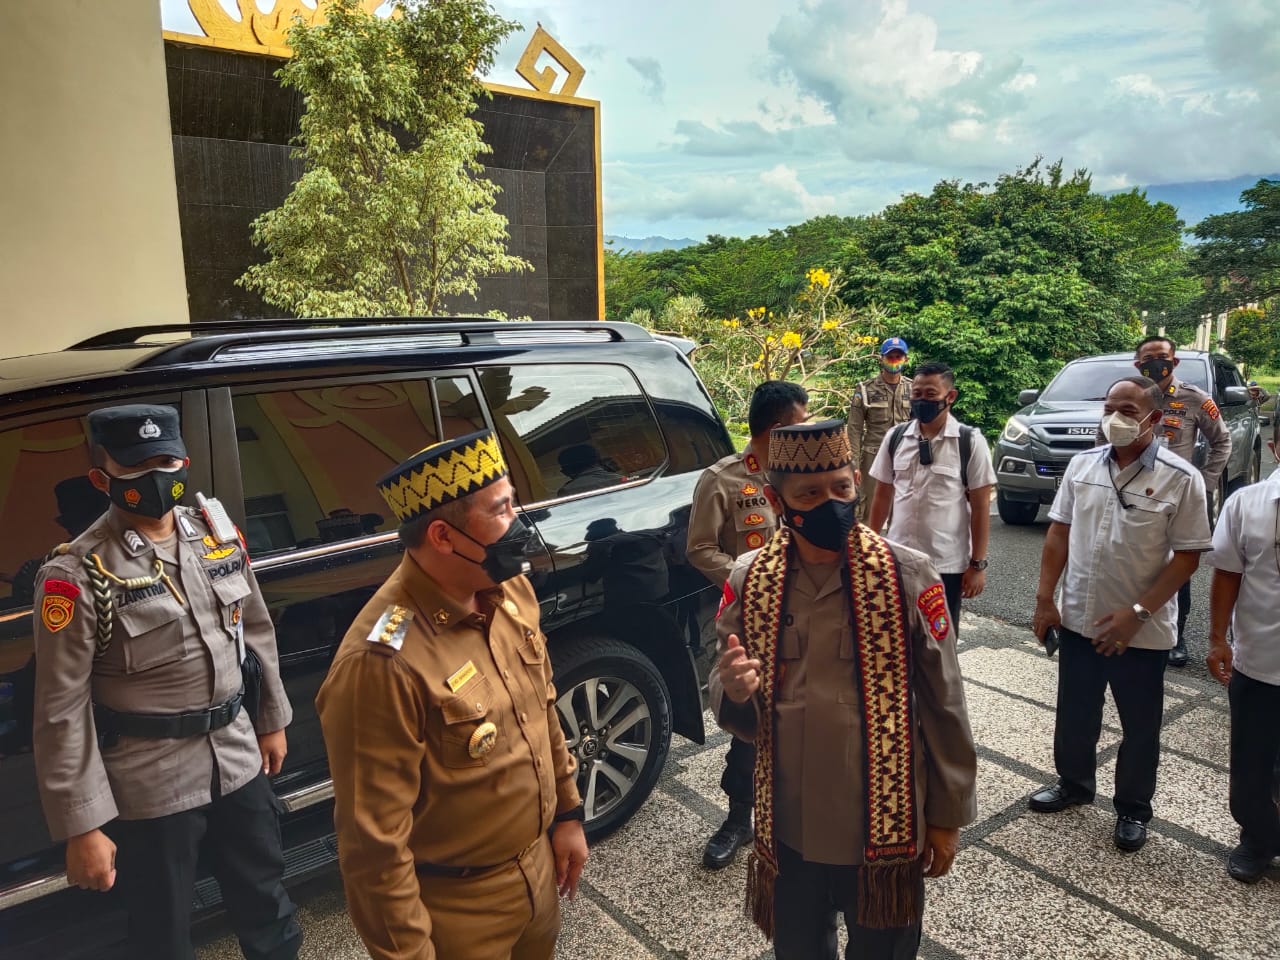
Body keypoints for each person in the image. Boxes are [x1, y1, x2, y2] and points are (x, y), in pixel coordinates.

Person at [31, 403, 299, 960]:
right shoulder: (77, 574)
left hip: (238, 755)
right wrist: (84, 825)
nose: (154, 477)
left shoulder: (216, 536)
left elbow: (255, 629)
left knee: (269, 905)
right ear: (101, 477)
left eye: (165, 461)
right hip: (150, 784)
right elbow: (62, 708)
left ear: (185, 461)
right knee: (163, 934)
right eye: (135, 467)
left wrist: (271, 719)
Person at [316, 429, 588, 960]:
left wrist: (568, 814)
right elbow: (374, 848)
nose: (520, 523)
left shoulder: (508, 590)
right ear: (442, 535)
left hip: (536, 873)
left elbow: (542, 709)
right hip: (456, 911)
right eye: (503, 509)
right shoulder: (381, 662)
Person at [710, 419, 976, 960]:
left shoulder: (907, 576)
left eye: (841, 488)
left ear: (858, 481)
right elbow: (724, 679)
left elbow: (944, 702)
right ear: (776, 501)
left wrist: (947, 815)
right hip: (788, 825)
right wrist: (733, 689)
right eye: (810, 493)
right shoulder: (749, 578)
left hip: (881, 824)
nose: (831, 503)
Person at [1030, 377, 1211, 852]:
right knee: (1075, 712)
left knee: (1140, 724)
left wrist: (1138, 614)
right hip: (1078, 617)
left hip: (1140, 630)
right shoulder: (1083, 465)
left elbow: (1189, 556)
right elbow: (1058, 535)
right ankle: (1074, 784)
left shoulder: (1181, 477)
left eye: (1128, 410)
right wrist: (1045, 599)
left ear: (1153, 417)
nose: (1116, 418)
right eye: (1109, 407)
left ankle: (1132, 810)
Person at [686, 379, 808, 870]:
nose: (807, 431)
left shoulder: (804, 470)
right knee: (749, 721)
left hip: (809, 615)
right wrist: (749, 576)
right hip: (754, 620)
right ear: (777, 428)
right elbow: (699, 549)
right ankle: (739, 816)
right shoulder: (724, 480)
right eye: (800, 424)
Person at [867, 361, 996, 633]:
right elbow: (882, 496)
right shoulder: (896, 438)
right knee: (895, 638)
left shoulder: (969, 441)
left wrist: (978, 565)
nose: (922, 400)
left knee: (941, 642)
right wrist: (868, 546)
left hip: (945, 565)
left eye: (930, 394)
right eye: (917, 394)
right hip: (898, 561)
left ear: (950, 397)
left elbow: (982, 507)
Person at [1206, 431, 1280, 883]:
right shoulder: (1247, 504)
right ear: (1276, 446)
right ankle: (1257, 840)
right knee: (1252, 759)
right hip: (1260, 660)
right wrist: (1217, 638)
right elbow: (1228, 575)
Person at [1132, 336, 1230, 667]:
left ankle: (1176, 636)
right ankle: (1134, 622)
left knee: (1179, 567)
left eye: (1162, 357)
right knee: (1133, 561)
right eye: (1148, 358)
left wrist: (1205, 484)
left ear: (1174, 363)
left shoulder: (1194, 399)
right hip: (1131, 494)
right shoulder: (1131, 395)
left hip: (1176, 498)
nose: (1155, 363)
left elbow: (1222, 442)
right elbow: (1105, 436)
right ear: (1138, 364)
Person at [847, 337, 913, 526]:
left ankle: (895, 553)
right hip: (873, 457)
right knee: (869, 510)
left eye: (898, 357)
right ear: (881, 359)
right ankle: (868, 553)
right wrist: (854, 465)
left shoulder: (913, 388)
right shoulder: (865, 390)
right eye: (890, 357)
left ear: (905, 359)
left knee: (901, 511)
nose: (894, 361)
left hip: (905, 456)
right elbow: (854, 428)